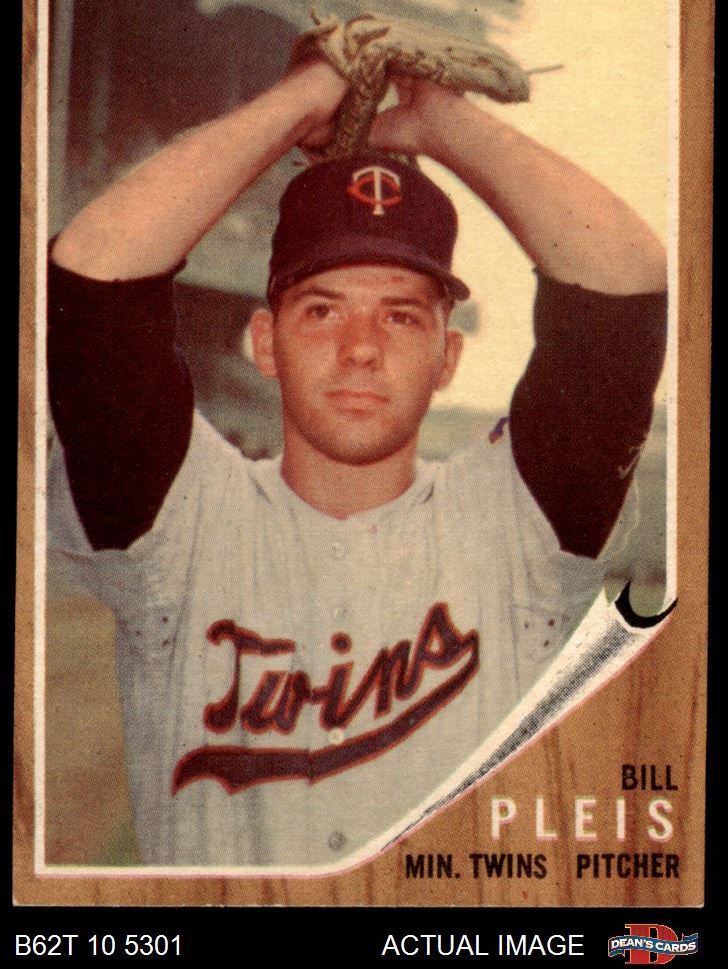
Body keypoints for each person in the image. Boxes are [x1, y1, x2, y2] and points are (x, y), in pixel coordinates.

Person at [47, 56, 667, 867]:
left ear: (447, 357)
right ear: (265, 342)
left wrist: (443, 122)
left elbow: (626, 276)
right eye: (322, 309)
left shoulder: (517, 524)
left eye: (401, 316)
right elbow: (94, 269)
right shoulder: (186, 518)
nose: (361, 348)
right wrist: (304, 97)